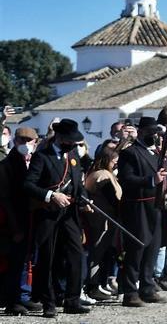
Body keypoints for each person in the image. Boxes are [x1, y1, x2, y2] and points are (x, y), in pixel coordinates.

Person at [22, 119, 91, 317]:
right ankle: (49, 302)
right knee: (47, 259)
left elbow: (78, 183)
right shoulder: (41, 156)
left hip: (69, 214)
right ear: (59, 137)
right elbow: (28, 185)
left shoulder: (73, 155)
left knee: (76, 255)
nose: (72, 144)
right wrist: (51, 195)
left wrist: (84, 199)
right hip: (48, 213)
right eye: (69, 141)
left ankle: (72, 300)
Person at [117, 116, 167, 308]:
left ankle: (147, 287)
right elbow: (127, 179)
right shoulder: (130, 153)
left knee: (152, 249)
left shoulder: (157, 154)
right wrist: (151, 180)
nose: (154, 136)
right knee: (136, 249)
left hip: (156, 207)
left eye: (156, 133)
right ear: (141, 132)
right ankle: (130, 291)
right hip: (138, 207)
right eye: (150, 132)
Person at [0, 126, 39, 315]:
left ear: (34, 143)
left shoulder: (34, 162)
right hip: (12, 220)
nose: (24, 144)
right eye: (21, 141)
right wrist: (15, 226)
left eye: (28, 141)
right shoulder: (7, 165)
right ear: (15, 142)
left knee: (26, 260)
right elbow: (5, 198)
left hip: (30, 218)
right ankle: (12, 300)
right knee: (14, 261)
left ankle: (23, 296)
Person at [83, 147, 122, 301]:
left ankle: (97, 284)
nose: (116, 165)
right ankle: (92, 287)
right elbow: (112, 197)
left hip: (104, 218)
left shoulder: (103, 173)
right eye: (114, 162)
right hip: (101, 219)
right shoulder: (102, 176)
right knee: (96, 253)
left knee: (101, 253)